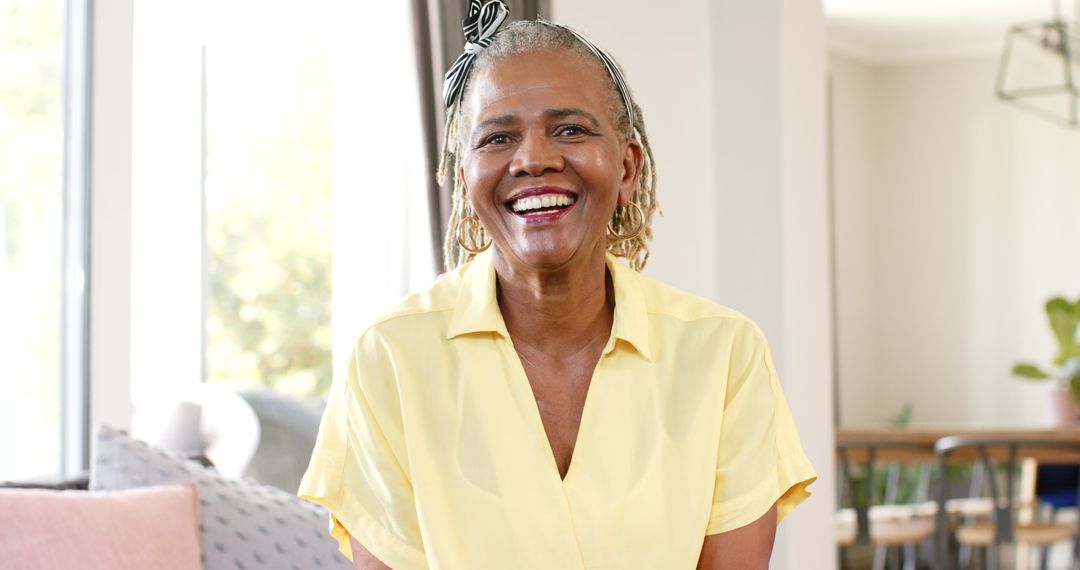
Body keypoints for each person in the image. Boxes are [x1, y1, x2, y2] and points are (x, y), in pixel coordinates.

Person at [298, 2, 816, 568]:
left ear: (627, 168)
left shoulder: (724, 354)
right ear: (465, 175)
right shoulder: (389, 359)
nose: (533, 159)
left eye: (569, 129)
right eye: (497, 138)